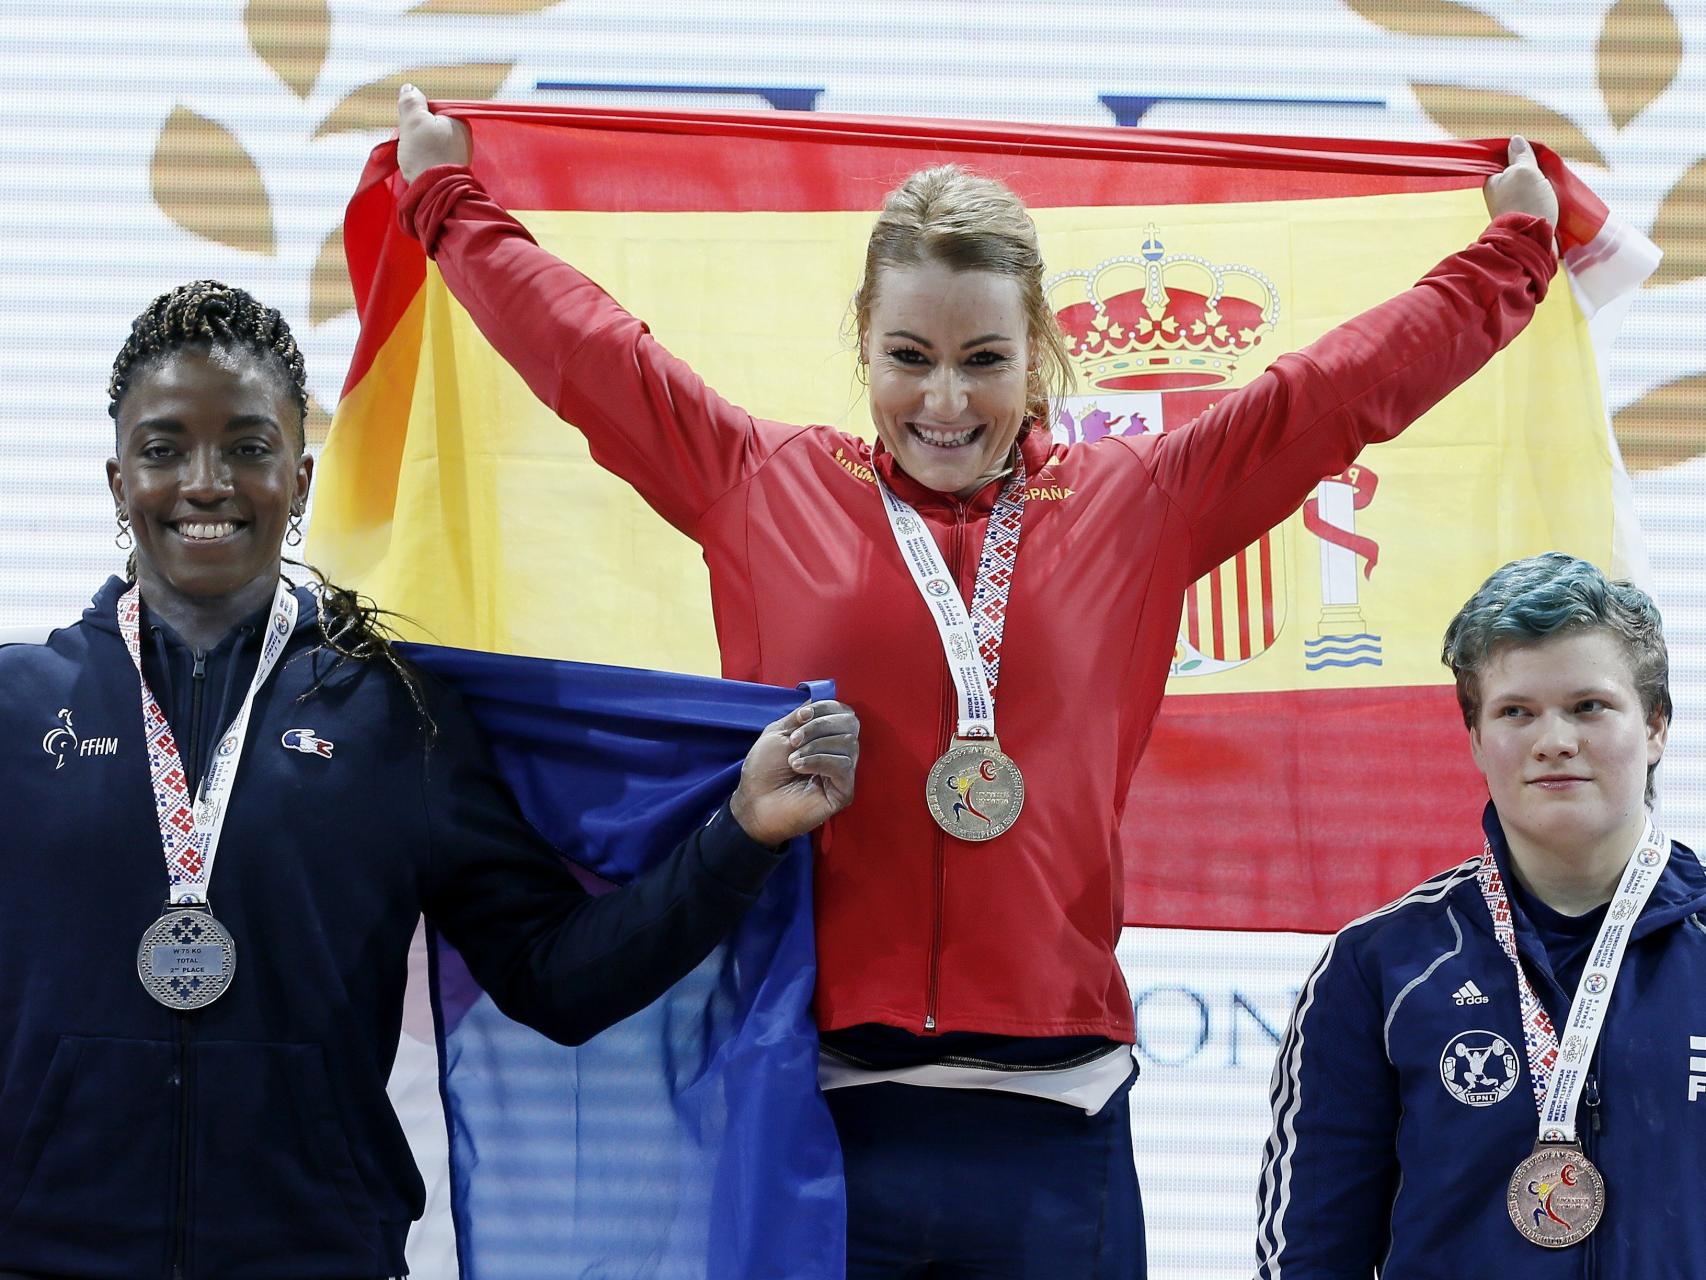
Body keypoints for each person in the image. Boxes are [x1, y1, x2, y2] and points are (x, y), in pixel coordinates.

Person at [395, 87, 1561, 1278]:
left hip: (1056, 1126)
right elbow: (590, 357)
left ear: (1039, 350)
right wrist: (446, 201)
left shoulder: (1143, 500)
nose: (943, 402)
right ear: (863, 343)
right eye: (908, 358)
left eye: (982, 360)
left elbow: (1335, 392)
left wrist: (1515, 250)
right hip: (820, 1113)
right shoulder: (760, 482)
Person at [0, 280, 860, 1280]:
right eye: (163, 448)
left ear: (301, 473)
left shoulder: (391, 716)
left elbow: (553, 976)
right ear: (117, 481)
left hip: (317, 1257)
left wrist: (736, 833)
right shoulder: (19, 710)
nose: (205, 480)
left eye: (246, 444)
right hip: (41, 1254)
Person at [1254, 552, 1706, 1277]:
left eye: (1589, 706)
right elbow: (1312, 1253)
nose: (1554, 740)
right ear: (1475, 739)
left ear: (1654, 726)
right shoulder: (1381, 966)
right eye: (1516, 712)